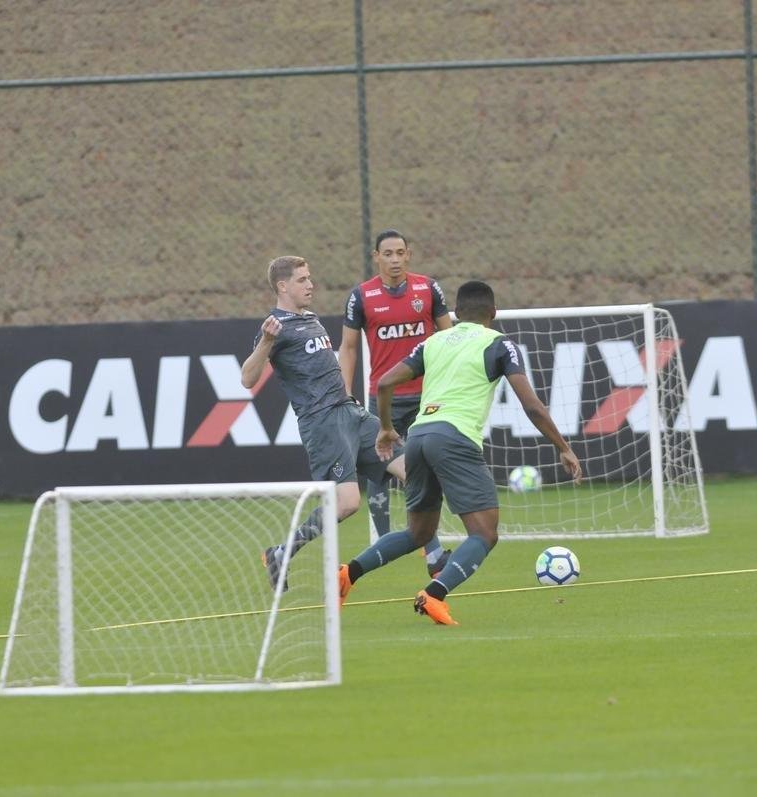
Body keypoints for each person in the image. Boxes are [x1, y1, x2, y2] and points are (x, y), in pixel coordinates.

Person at [337, 280, 582, 625]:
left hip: (420, 436)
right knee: (484, 533)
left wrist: (387, 428)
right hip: (455, 438)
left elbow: (386, 382)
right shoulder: (498, 344)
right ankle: (434, 595)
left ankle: (348, 573)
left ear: (456, 313)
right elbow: (533, 407)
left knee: (418, 533)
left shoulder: (433, 341)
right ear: (492, 313)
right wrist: (564, 447)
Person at [241, 255, 409, 591]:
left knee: (414, 469)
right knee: (347, 504)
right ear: (283, 286)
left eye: (309, 277)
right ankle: (283, 551)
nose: (310, 284)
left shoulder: (310, 318)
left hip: (352, 414)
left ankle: (433, 555)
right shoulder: (275, 327)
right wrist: (267, 342)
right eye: (302, 280)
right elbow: (247, 378)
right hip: (323, 423)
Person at [337, 229, 453, 577]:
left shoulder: (428, 289)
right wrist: (344, 394)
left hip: (425, 396)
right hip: (383, 398)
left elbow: (449, 338)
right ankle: (386, 542)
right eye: (388, 254)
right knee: (379, 472)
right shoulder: (362, 296)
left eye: (400, 253)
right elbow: (350, 347)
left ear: (409, 254)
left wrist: (450, 382)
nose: (395, 260)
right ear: (377, 257)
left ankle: (430, 551)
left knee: (422, 470)